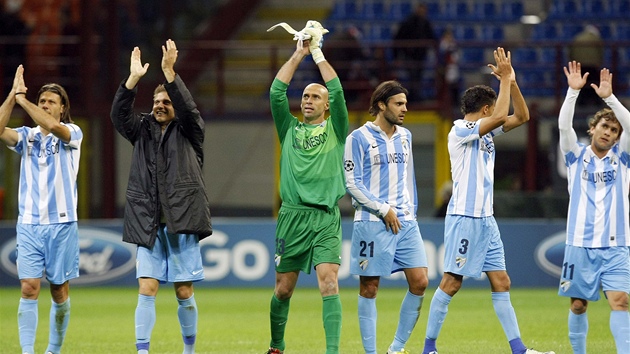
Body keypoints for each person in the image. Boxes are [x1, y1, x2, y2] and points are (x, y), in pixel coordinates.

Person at [420, 47, 555, 354]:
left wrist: (513, 81)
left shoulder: (487, 135)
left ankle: (519, 349)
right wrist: (504, 79)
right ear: (484, 110)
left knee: (502, 281)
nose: (498, 112)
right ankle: (429, 348)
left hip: (486, 219)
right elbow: (499, 116)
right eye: (493, 108)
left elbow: (522, 116)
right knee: (452, 283)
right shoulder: (460, 130)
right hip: (465, 216)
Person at [110, 39, 212, 354]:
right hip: (149, 221)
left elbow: (188, 108)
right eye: (156, 101)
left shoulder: (190, 130)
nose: (160, 105)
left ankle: (189, 350)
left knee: (183, 291)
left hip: (181, 221)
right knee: (146, 287)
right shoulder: (141, 129)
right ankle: (142, 351)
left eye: (166, 101)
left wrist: (169, 73)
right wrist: (132, 80)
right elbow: (117, 115)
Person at [266, 21, 348, 354]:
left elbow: (338, 91)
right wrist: (299, 53)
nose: (308, 100)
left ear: (327, 105)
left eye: (316, 96)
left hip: (326, 219)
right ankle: (276, 345)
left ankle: (332, 352)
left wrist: (317, 53)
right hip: (292, 217)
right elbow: (275, 92)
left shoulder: (337, 129)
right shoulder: (289, 129)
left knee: (329, 281)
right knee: (283, 289)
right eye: (305, 96)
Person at [0, 65, 82, 354]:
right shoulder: (27, 136)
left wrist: (25, 101)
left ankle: (54, 350)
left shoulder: (72, 133)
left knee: (59, 290)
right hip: (30, 224)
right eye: (42, 100)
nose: (45, 105)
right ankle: (28, 351)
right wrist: (13, 96)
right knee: (29, 288)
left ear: (62, 109)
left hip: (62, 224)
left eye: (50, 102)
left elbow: (54, 127)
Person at [344, 80, 429, 354]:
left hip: (405, 221)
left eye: (405, 103)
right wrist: (383, 209)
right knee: (369, 288)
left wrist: (410, 211)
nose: (405, 108)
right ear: (381, 105)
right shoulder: (357, 138)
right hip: (372, 223)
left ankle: (397, 348)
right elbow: (352, 184)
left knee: (420, 282)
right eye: (399, 103)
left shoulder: (406, 136)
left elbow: (408, 178)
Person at [557, 61, 630, 354]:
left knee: (621, 301)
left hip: (616, 246)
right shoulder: (575, 157)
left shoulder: (623, 159)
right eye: (604, 127)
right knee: (577, 304)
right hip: (580, 244)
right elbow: (563, 126)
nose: (609, 133)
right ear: (592, 129)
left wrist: (610, 98)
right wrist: (573, 93)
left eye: (614, 130)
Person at [393, 3, 436, 101]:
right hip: (410, 55)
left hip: (420, 55)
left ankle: (415, 96)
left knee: (418, 76)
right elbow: (398, 38)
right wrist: (397, 55)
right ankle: (412, 96)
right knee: (412, 75)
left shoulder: (425, 23)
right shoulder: (408, 22)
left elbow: (432, 37)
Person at [568, 25, 603, 107]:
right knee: (594, 83)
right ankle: (596, 102)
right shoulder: (596, 38)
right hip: (592, 64)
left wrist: (573, 62)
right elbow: (600, 51)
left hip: (580, 65)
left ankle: (582, 103)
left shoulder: (577, 38)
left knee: (582, 84)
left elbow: (571, 51)